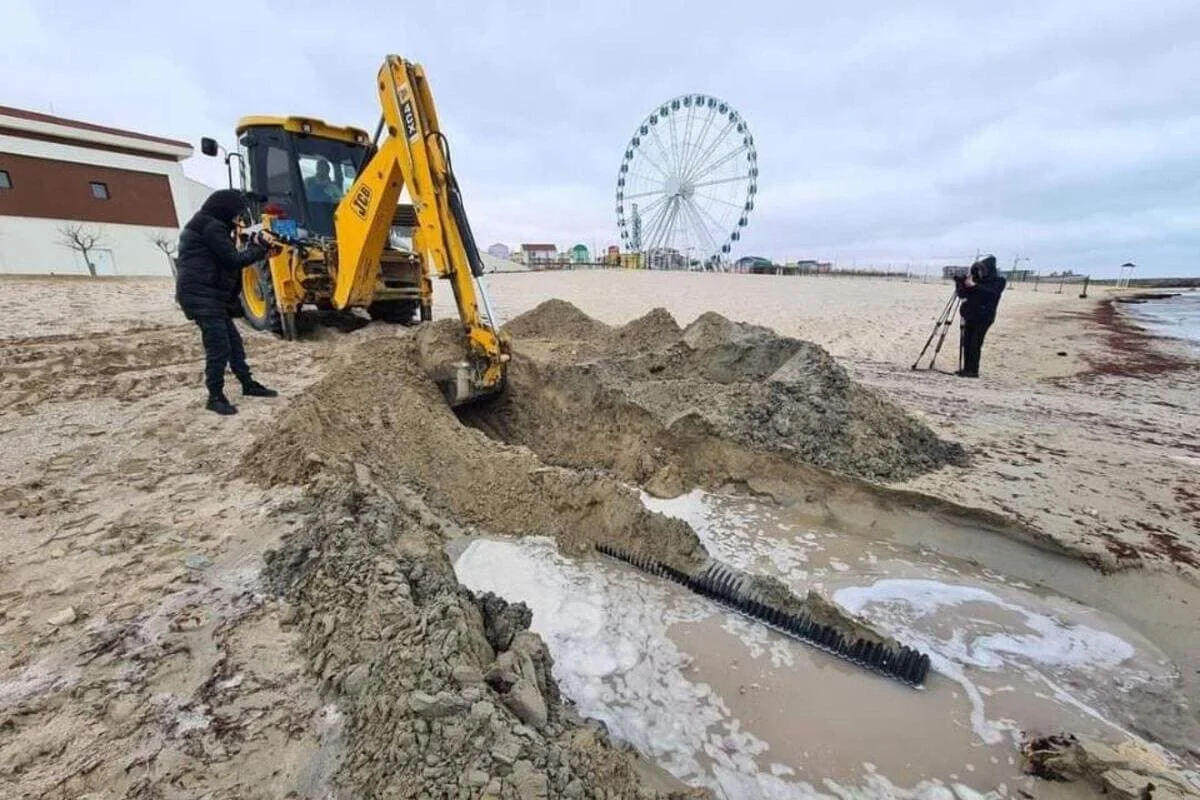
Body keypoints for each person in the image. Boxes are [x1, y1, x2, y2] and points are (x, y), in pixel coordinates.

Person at [175, 189, 279, 415]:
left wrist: (254, 245)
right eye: (236, 214)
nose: (238, 219)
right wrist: (260, 249)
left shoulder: (209, 225)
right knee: (219, 346)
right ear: (225, 211)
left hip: (211, 296)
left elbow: (226, 256)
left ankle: (247, 384)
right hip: (201, 296)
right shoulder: (210, 227)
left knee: (233, 343)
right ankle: (215, 396)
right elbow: (232, 260)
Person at [954, 254, 1008, 378]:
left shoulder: (998, 281)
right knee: (967, 342)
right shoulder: (976, 280)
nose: (979, 272)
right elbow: (962, 295)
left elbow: (992, 294)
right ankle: (967, 368)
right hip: (970, 315)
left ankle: (973, 370)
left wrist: (974, 286)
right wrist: (960, 284)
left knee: (975, 343)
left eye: (982, 269)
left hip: (985, 317)